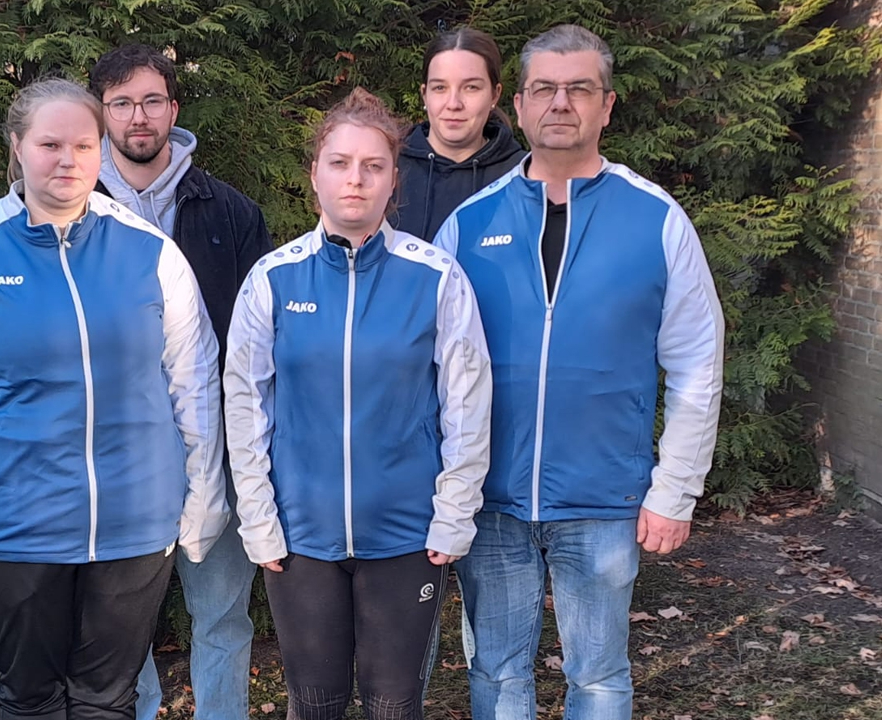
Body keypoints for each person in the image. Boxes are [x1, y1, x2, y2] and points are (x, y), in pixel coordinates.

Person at [0, 77, 228, 720]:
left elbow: (194, 381)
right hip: (15, 526)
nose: (68, 160)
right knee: (31, 698)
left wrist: (203, 496)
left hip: (135, 522)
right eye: (50, 144)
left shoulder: (150, 252)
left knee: (109, 698)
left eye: (83, 144)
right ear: (17, 147)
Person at [433, 25, 725, 720]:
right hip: (491, 501)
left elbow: (696, 363)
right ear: (519, 105)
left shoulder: (657, 220)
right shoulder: (469, 225)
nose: (560, 103)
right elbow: (433, 371)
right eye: (544, 89)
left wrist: (675, 489)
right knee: (496, 672)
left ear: (607, 105)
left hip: (603, 501)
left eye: (579, 89)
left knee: (597, 678)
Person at [224, 87, 493, 720]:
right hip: (301, 537)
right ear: (314, 174)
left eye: (373, 166)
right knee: (315, 704)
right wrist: (258, 518)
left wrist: (454, 513)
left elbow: (467, 403)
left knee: (393, 705)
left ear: (394, 179)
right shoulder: (272, 279)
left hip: (405, 534)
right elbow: (245, 404)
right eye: (340, 163)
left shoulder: (436, 277)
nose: (355, 179)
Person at [87, 44, 273, 720]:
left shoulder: (230, 213)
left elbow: (259, 346)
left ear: (173, 108)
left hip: (215, 451)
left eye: (151, 101)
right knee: (118, 630)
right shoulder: (71, 210)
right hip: (111, 458)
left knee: (221, 616)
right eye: (121, 103)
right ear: (101, 114)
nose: (138, 116)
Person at [393, 27, 526, 243]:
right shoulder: (389, 168)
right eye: (440, 88)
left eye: (471, 87)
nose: (453, 104)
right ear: (424, 95)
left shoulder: (523, 176)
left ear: (495, 95)